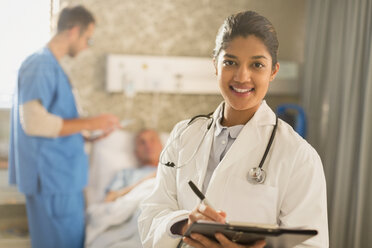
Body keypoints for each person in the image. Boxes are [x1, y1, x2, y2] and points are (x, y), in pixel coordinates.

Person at [138, 11, 328, 248]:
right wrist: (183, 224)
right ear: (215, 66)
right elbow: (151, 214)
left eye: (257, 64)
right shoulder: (183, 135)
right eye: (230, 62)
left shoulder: (300, 156)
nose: (242, 76)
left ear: (273, 72)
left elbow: (312, 244)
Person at [8, 5, 120, 248]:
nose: (87, 46)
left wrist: (87, 135)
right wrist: (92, 122)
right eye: (88, 38)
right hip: (51, 179)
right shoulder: (40, 64)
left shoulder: (53, 67)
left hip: (60, 179)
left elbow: (57, 122)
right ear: (73, 31)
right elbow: (35, 123)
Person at [104, 129, 163, 202]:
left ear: (162, 147)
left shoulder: (174, 171)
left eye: (152, 140)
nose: (148, 145)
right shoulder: (125, 174)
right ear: (136, 153)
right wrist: (144, 181)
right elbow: (109, 200)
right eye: (142, 142)